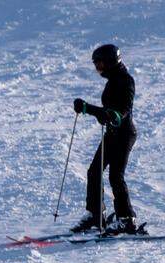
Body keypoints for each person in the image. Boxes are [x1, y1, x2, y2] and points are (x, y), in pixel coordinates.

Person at [71, 44, 138, 235]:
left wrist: (89, 109)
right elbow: (108, 112)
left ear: (110, 62)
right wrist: (94, 112)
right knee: (94, 172)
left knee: (116, 176)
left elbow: (121, 112)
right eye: (96, 65)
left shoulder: (126, 81)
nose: (98, 69)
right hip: (112, 134)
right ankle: (96, 216)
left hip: (124, 135)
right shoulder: (112, 81)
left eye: (99, 64)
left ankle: (127, 220)